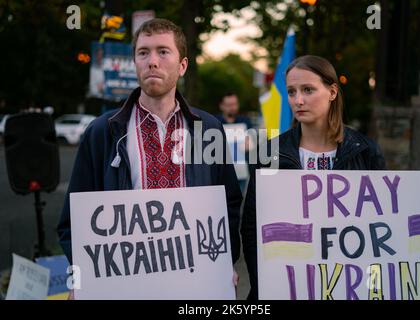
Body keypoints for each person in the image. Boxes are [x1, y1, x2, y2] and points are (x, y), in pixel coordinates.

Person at [57, 18, 242, 289]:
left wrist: (226, 262)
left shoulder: (209, 129)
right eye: (143, 53)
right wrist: (83, 280)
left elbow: (228, 206)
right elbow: (74, 220)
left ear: (182, 66)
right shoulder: (102, 132)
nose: (152, 61)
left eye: (163, 51)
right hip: (125, 285)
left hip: (195, 281)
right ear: (135, 63)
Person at [241, 55, 386, 300]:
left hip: (347, 285)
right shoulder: (269, 153)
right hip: (286, 285)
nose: (298, 100)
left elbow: (380, 227)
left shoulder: (365, 150)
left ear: (331, 92)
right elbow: (252, 227)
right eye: (291, 92)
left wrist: (371, 287)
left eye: (308, 90)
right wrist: (265, 282)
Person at [215, 93, 253, 192]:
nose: (233, 107)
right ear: (222, 106)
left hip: (241, 170)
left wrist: (250, 144)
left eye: (234, 104)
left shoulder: (245, 121)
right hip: (221, 171)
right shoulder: (215, 122)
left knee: (239, 202)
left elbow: (251, 143)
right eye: (229, 105)